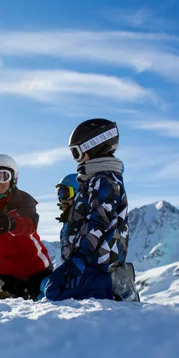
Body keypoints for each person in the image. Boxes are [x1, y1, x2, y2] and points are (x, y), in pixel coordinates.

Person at [43, 119, 140, 302]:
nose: (75, 159)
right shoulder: (93, 179)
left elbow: (97, 222)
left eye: (76, 152)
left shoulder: (105, 180)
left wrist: (80, 257)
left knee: (55, 291)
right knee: (54, 288)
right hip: (89, 261)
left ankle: (113, 286)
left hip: (97, 263)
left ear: (95, 146)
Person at [0, 154, 52, 301]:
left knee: (47, 301)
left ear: (13, 178)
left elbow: (30, 224)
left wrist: (13, 224)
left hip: (37, 268)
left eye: (3, 176)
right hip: (6, 273)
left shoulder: (25, 201)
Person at [55, 173, 80, 260]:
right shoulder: (68, 224)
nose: (61, 199)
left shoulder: (86, 225)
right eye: (59, 193)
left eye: (65, 193)